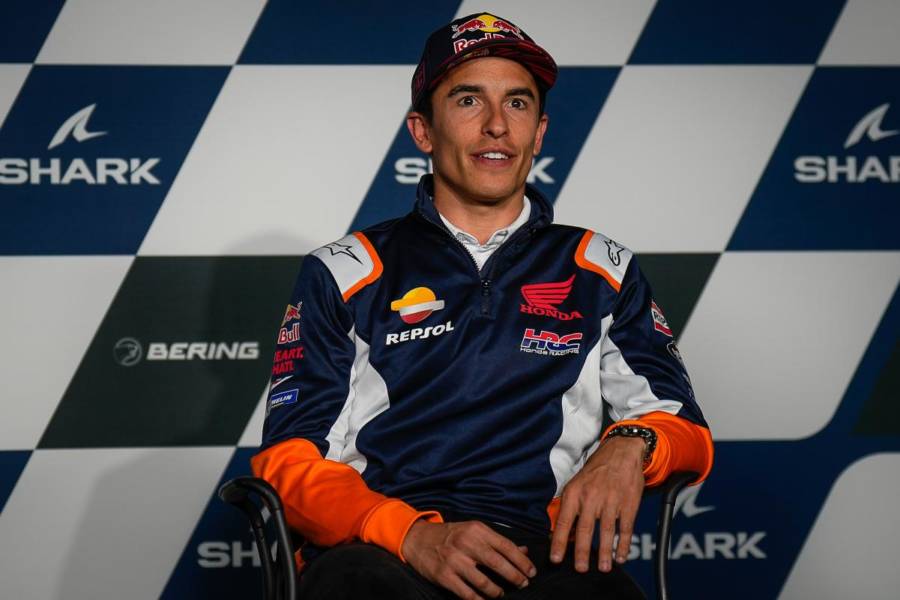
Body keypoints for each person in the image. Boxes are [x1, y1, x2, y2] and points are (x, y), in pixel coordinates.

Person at [252, 12, 713, 600]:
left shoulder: (600, 264)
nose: (497, 125)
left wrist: (631, 445)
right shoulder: (345, 269)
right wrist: (410, 534)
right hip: (387, 550)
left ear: (539, 133)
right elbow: (286, 462)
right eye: (469, 100)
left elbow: (685, 428)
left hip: (544, 552)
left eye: (517, 103)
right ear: (423, 130)